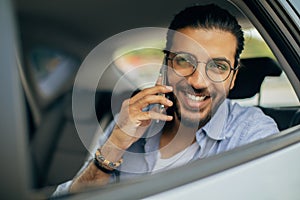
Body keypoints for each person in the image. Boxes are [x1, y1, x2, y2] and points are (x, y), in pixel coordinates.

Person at [54, 4, 279, 195]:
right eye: (184, 61)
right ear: (165, 67)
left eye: (218, 67)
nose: (198, 81)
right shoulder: (133, 119)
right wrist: (114, 146)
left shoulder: (253, 133)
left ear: (233, 78)